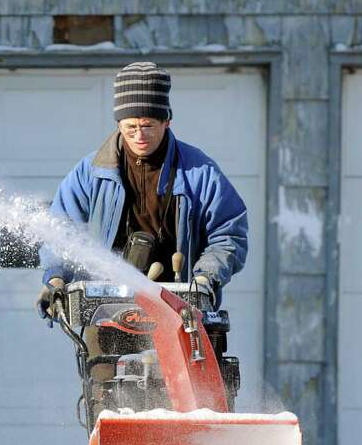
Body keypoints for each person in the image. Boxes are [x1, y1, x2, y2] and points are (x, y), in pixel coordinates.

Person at [36, 61, 248, 318]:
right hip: (105, 307)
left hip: (180, 308)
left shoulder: (200, 172)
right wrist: (56, 278)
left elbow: (228, 234)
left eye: (147, 126)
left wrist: (205, 279)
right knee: (100, 361)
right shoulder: (91, 172)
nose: (139, 136)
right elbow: (61, 231)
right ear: (118, 124)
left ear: (166, 121)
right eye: (130, 127)